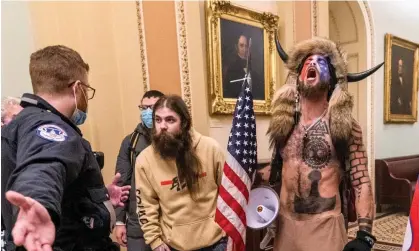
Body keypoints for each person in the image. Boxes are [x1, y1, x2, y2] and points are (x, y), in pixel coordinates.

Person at [1, 45, 130, 251]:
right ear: (77, 88)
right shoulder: (50, 128)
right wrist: (37, 203)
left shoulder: (25, 122)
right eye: (87, 90)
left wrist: (97, 198)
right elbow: (42, 167)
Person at [267, 37, 383, 251]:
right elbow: (277, 170)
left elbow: (361, 182)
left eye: (321, 62)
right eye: (307, 62)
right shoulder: (284, 124)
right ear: (299, 75)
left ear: (331, 79)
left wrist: (365, 233)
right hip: (285, 226)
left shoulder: (346, 127)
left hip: (325, 226)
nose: (312, 64)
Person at [135, 95, 226, 251]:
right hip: (173, 245)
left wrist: (229, 232)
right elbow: (145, 205)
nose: (162, 126)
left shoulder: (211, 148)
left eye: (170, 120)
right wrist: (154, 241)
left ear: (184, 123)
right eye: (158, 120)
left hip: (215, 241)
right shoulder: (145, 160)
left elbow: (228, 194)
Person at [114, 90, 164, 251]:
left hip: (170, 223)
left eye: (153, 107)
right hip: (138, 224)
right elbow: (121, 183)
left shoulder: (175, 141)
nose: (148, 112)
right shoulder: (131, 142)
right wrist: (120, 221)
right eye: (144, 108)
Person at [223, 34, 263, 100]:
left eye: (246, 46)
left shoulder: (253, 67)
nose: (244, 49)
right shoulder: (232, 68)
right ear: (236, 47)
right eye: (241, 45)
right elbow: (231, 91)